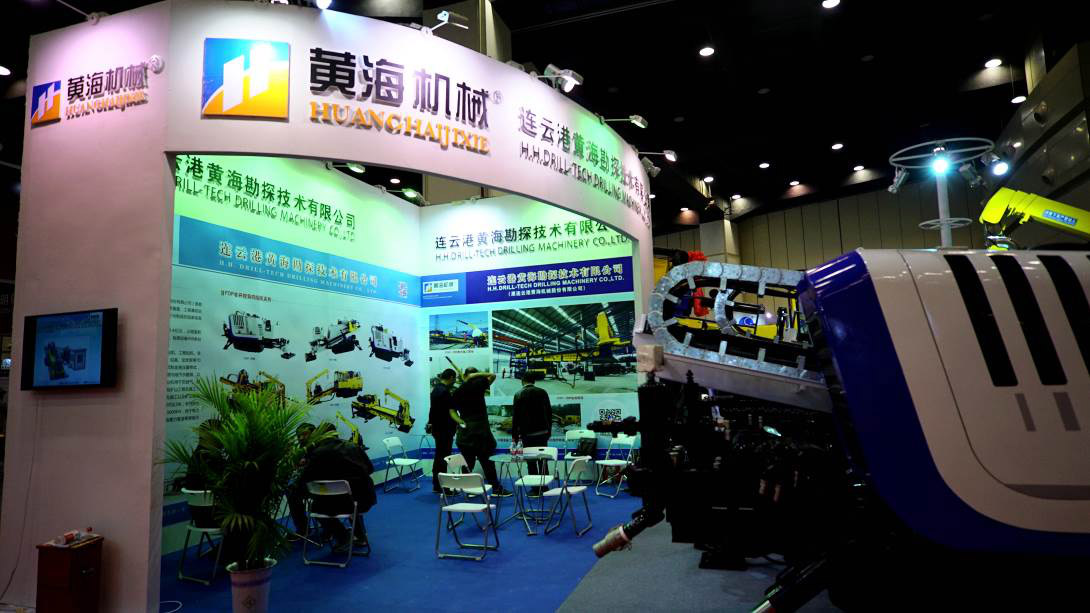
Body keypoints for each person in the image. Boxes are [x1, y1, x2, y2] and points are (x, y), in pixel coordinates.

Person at [298, 423, 377, 552]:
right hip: (361, 501)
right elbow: (370, 469)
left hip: (331, 505)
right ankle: (360, 536)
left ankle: (342, 537)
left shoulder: (316, 454)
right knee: (353, 496)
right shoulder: (353, 447)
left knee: (315, 507)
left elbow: (306, 479)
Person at [451, 367, 511, 496]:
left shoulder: (457, 391)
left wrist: (460, 421)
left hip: (465, 432)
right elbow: (492, 375)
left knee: (467, 463)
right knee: (487, 462)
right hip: (481, 432)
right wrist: (474, 375)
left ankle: (468, 489)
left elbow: (451, 411)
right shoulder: (478, 385)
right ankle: (496, 489)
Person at [511, 372, 553, 493]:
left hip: (527, 434)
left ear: (522, 381)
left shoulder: (518, 394)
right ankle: (545, 486)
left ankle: (535, 489)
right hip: (542, 433)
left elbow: (516, 417)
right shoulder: (543, 392)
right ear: (534, 381)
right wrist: (549, 431)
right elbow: (549, 412)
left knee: (531, 462)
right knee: (543, 460)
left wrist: (515, 435)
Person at [428, 369, 459, 493]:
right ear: (451, 377)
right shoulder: (444, 392)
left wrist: (430, 423)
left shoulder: (435, 390)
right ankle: (443, 487)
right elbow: (451, 411)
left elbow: (432, 410)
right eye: (455, 378)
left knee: (439, 457)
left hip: (438, 429)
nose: (455, 381)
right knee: (443, 458)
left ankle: (437, 485)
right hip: (445, 429)